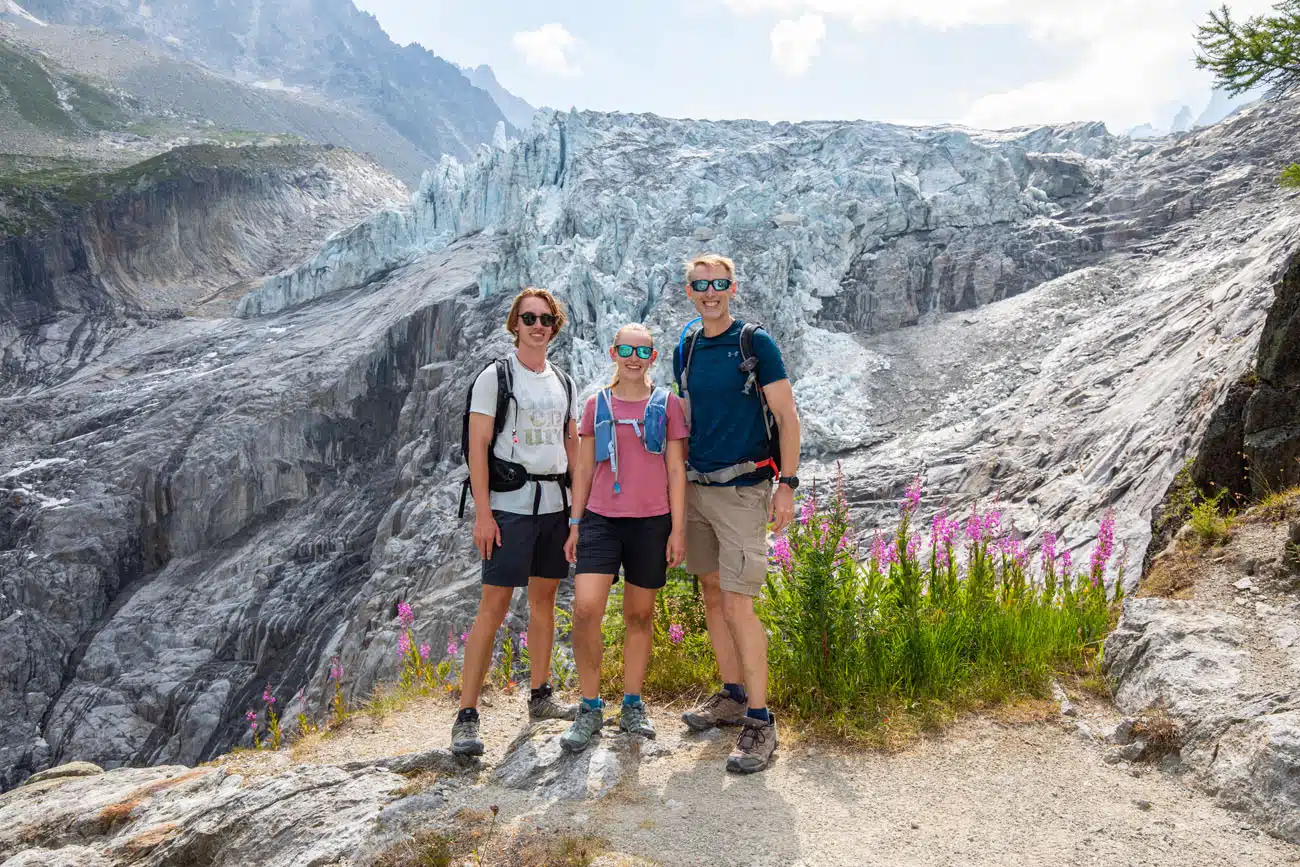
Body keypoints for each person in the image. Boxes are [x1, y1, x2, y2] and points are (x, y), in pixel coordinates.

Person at [672, 254, 801, 774]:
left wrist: (786, 485)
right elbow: (683, 416)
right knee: (711, 592)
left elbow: (787, 416)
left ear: (732, 287)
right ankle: (730, 695)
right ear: (689, 291)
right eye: (700, 285)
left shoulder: (755, 343)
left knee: (740, 604)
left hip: (744, 489)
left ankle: (760, 720)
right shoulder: (688, 345)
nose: (710, 293)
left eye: (718, 284)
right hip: (697, 489)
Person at [451, 287, 581, 757]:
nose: (537, 326)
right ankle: (466, 714)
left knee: (544, 599)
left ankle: (541, 695)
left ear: (555, 325)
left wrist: (575, 516)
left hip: (553, 504)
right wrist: (483, 514)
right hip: (509, 506)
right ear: (515, 324)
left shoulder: (561, 380)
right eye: (529, 318)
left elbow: (572, 447)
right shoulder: (496, 377)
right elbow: (477, 448)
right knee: (495, 604)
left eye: (546, 319)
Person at [558, 324, 688, 752]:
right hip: (600, 519)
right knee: (585, 609)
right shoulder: (597, 404)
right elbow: (583, 470)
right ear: (614, 353)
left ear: (653, 357)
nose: (634, 357)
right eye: (627, 349)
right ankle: (590, 706)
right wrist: (574, 523)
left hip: (651, 522)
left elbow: (675, 471)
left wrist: (678, 528)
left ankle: (632, 704)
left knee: (639, 616)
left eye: (643, 351)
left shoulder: (667, 404)